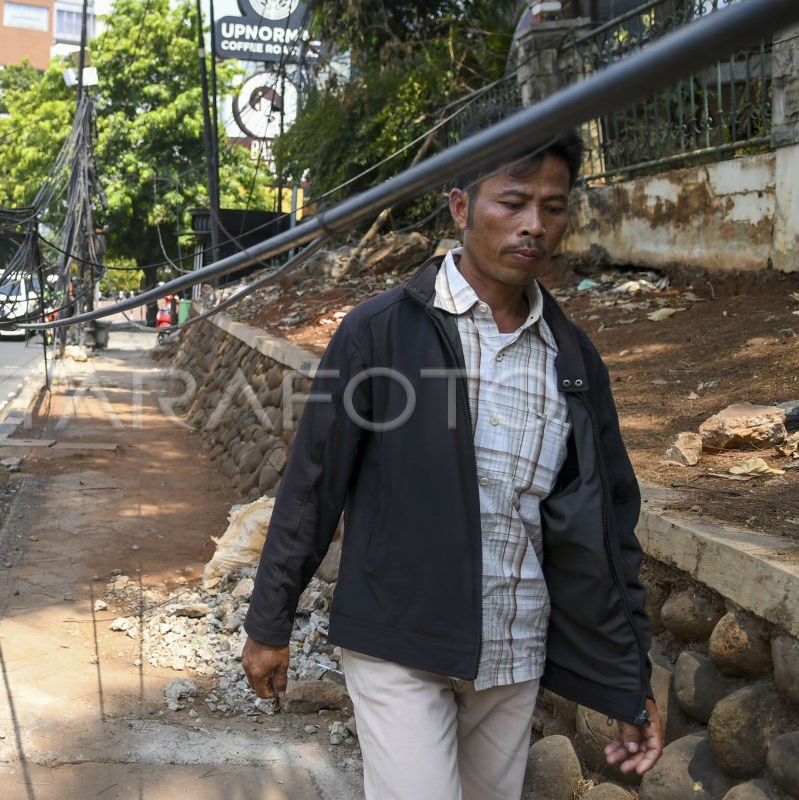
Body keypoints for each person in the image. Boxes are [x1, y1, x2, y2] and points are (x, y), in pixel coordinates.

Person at [240, 106, 662, 799]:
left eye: (553, 208)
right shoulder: (379, 334)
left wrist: (629, 677)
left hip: (514, 650)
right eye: (514, 201)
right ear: (462, 207)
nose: (534, 225)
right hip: (397, 642)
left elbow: (610, 530)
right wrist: (269, 622)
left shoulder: (573, 359)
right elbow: (312, 485)